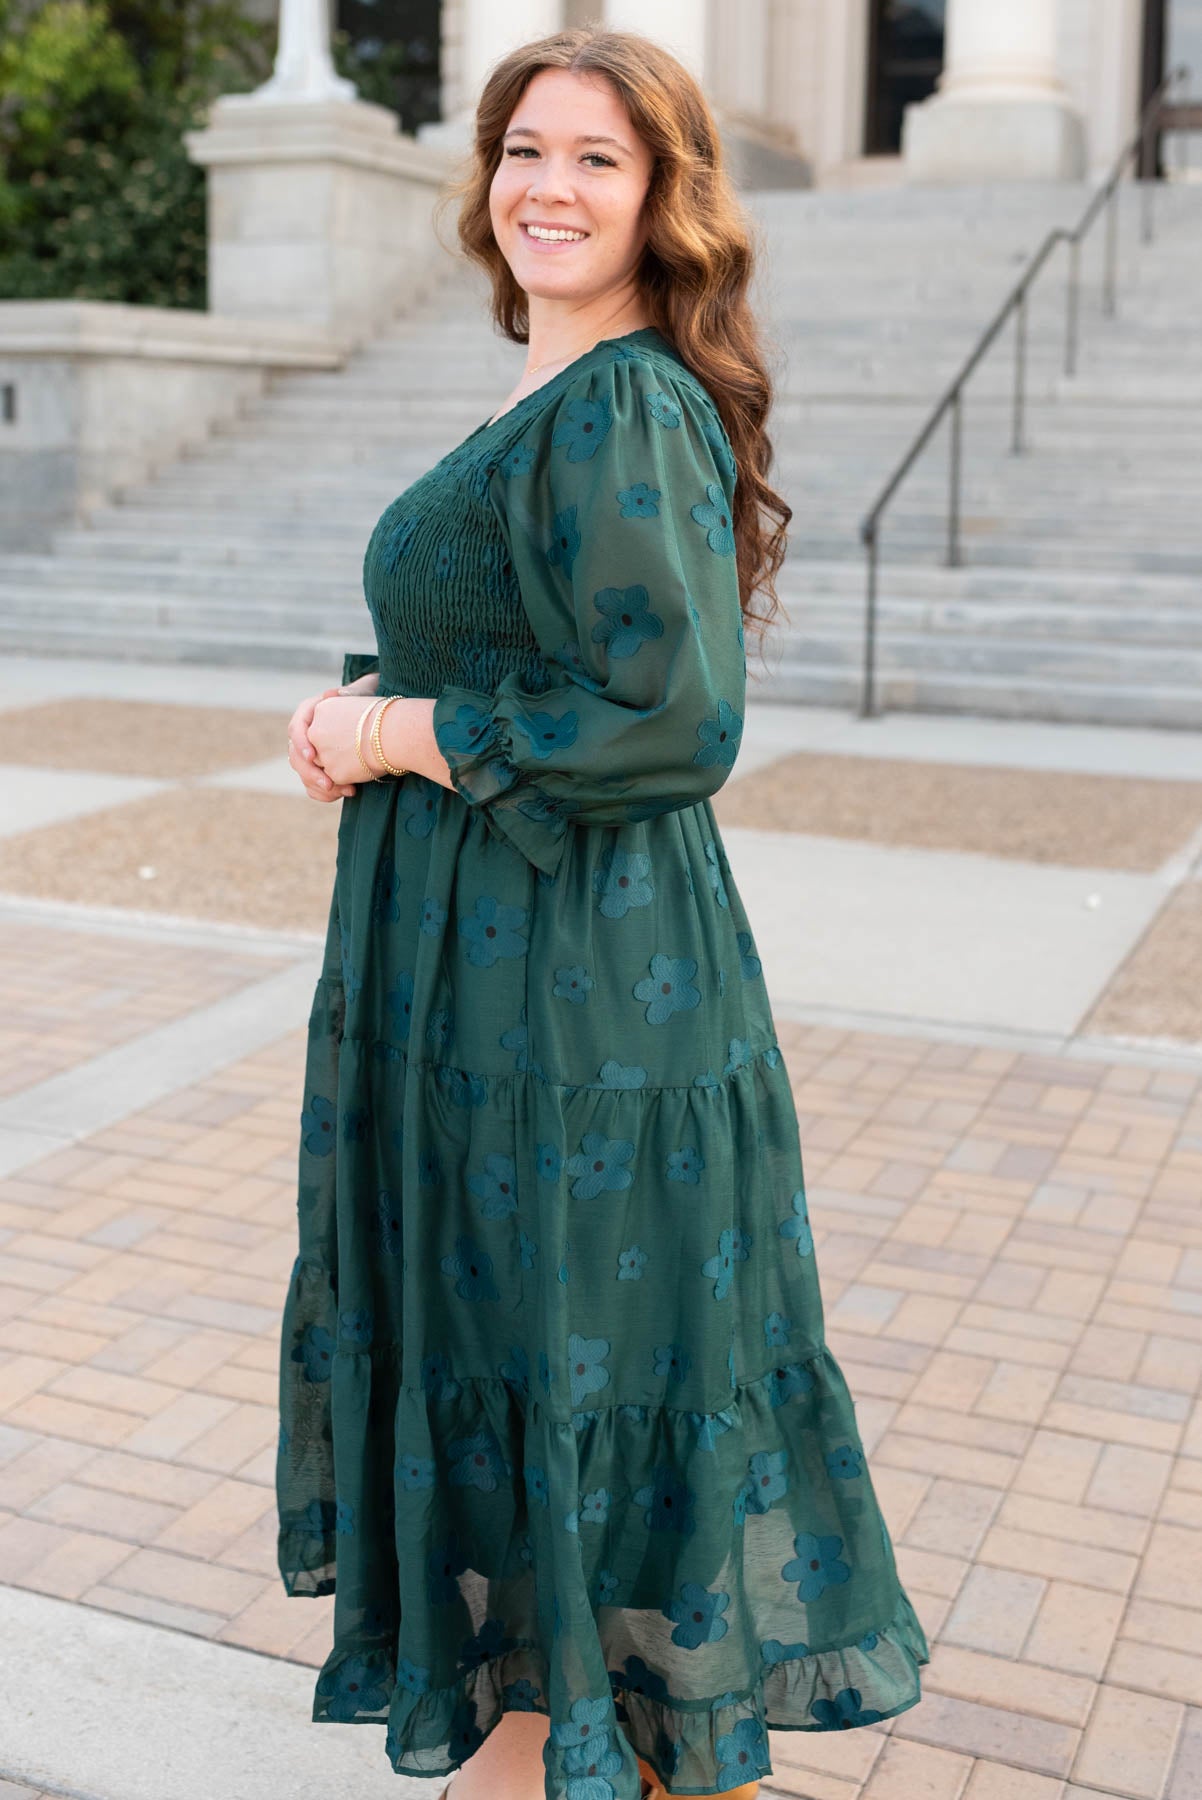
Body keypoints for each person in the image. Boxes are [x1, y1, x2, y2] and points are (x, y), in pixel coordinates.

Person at [278, 26, 928, 1800]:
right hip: (484, 974)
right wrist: (362, 716)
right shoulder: (542, 391)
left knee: (557, 1391)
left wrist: (405, 728)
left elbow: (672, 717)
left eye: (599, 160)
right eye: (525, 150)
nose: (550, 187)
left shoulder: (627, 397)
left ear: (662, 202)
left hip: (564, 998)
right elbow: (525, 657)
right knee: (518, 1397)